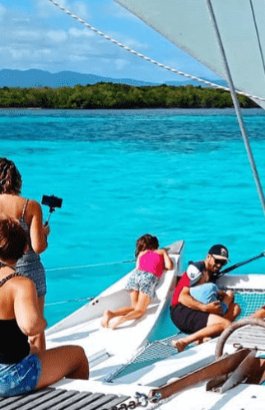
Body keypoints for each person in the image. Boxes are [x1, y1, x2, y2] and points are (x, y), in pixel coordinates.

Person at [0, 218, 88, 397]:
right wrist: (42, 322)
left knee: (35, 351)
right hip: (10, 376)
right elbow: (30, 326)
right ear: (25, 248)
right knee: (79, 357)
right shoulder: (20, 284)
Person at [0, 158, 50, 353]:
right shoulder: (30, 206)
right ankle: (40, 371)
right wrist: (44, 233)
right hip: (29, 271)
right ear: (17, 180)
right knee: (35, 331)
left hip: (3, 272)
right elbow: (37, 247)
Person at [170, 244, 241, 352]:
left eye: (223, 263)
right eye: (217, 261)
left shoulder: (212, 273)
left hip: (196, 312)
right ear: (208, 257)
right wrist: (205, 308)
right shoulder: (197, 270)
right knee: (226, 324)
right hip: (181, 311)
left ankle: (204, 338)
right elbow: (181, 297)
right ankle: (184, 342)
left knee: (235, 308)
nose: (219, 265)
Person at [101, 234, 174, 330]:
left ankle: (111, 314)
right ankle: (122, 319)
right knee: (140, 310)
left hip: (135, 277)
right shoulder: (161, 252)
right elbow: (170, 266)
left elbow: (138, 268)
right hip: (148, 278)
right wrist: (165, 256)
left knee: (134, 306)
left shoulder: (141, 254)